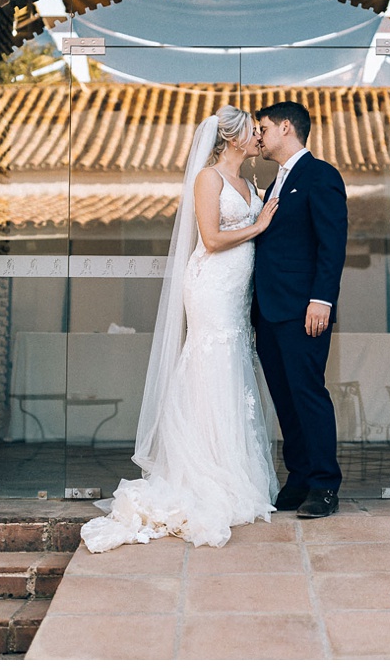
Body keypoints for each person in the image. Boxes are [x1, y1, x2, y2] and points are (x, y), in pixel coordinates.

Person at [80, 106, 281, 553]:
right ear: (232, 139)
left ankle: (231, 466)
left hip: (238, 287)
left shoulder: (250, 183)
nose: (258, 139)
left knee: (233, 364)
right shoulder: (207, 179)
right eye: (252, 132)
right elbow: (210, 239)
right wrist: (260, 224)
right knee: (212, 359)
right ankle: (202, 470)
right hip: (210, 284)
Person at [252, 101, 348, 518]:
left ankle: (325, 486)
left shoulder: (320, 175)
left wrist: (321, 300)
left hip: (304, 309)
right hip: (269, 312)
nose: (258, 136)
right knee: (285, 399)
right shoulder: (277, 182)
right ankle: (300, 477)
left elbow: (332, 244)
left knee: (308, 395)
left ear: (286, 127)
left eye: (263, 128)